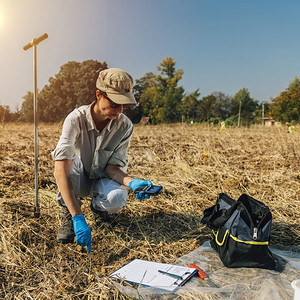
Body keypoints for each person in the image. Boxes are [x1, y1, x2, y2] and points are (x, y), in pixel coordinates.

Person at [51, 68, 154, 253]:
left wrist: (132, 182)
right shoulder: (76, 119)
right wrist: (78, 218)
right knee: (68, 163)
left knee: (117, 198)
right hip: (78, 178)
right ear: (98, 94)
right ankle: (69, 212)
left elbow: (112, 168)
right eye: (115, 103)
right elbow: (60, 170)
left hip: (101, 177)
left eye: (124, 105)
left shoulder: (124, 126)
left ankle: (100, 210)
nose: (120, 110)